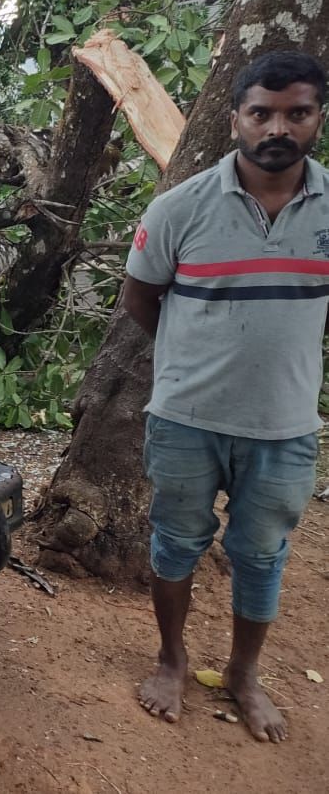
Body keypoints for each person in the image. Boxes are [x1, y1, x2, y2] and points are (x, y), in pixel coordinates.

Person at [123, 50, 329, 744]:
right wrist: (192, 360)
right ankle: (171, 659)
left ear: (316, 118)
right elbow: (140, 297)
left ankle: (243, 675)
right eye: (261, 112)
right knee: (176, 543)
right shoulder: (179, 207)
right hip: (185, 418)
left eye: (297, 113)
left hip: (286, 425)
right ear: (235, 118)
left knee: (262, 555)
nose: (279, 127)